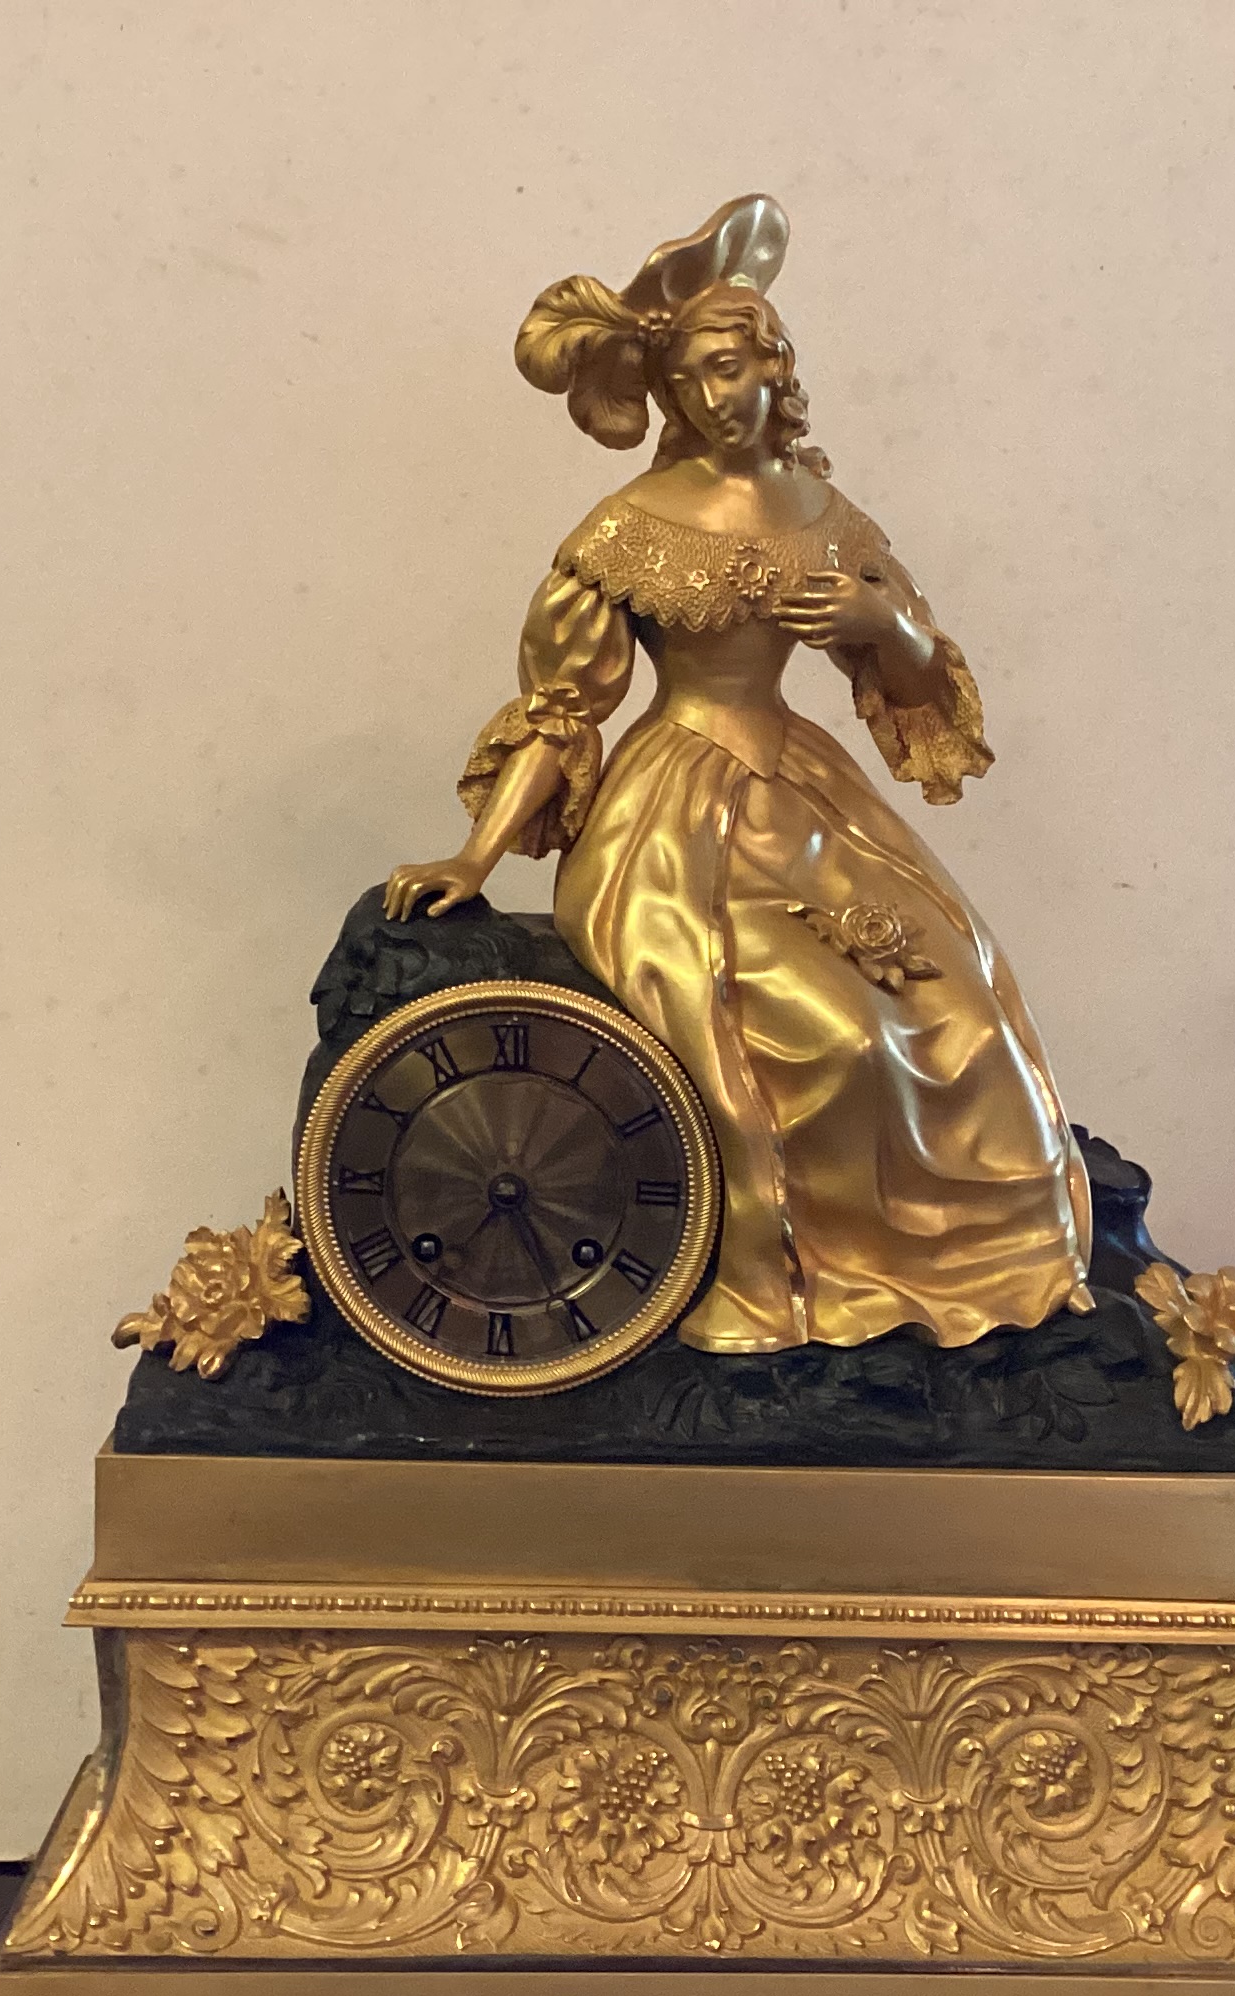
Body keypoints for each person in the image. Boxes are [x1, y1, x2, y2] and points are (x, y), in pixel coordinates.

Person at [384, 196, 1092, 1355]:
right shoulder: (629, 527)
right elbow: (564, 711)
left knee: (960, 1004)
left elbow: (914, 672)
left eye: (730, 367)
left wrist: (884, 625)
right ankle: (788, 1276)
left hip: (804, 798)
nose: (714, 396)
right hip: (669, 829)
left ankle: (981, 1261)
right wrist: (475, 856)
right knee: (821, 1036)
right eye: (690, 379)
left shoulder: (825, 515)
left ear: (774, 365)